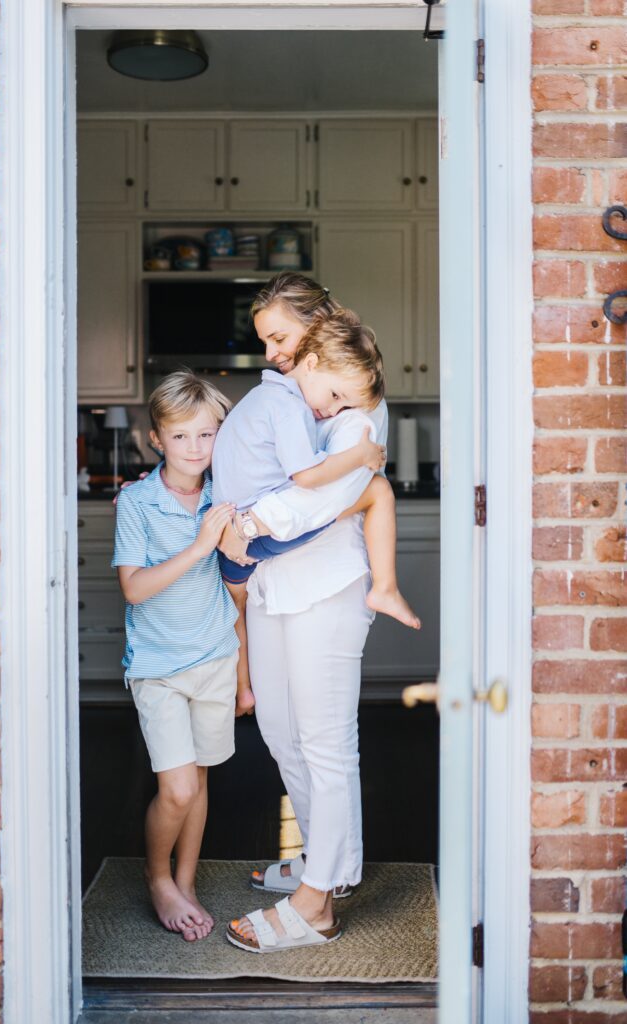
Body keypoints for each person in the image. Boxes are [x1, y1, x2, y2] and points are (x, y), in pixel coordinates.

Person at [222, 272, 415, 953]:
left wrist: (247, 523)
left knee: (325, 742)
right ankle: (328, 864)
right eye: (266, 341)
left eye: (280, 337)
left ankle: (317, 905)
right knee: (281, 731)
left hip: (326, 589)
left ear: (320, 324)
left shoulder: (355, 408)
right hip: (273, 585)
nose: (272, 353)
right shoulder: (295, 399)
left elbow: (322, 499)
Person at [214, 307, 421, 716]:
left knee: (232, 610)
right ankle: (385, 587)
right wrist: (362, 454)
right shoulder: (290, 407)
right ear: (312, 362)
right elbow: (308, 479)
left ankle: (242, 689)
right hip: (252, 537)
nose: (334, 410)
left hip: (239, 534)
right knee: (378, 490)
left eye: (279, 338)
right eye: (336, 398)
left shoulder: (264, 396)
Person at [112, 372, 239, 942]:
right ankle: (158, 876)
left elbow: (239, 589)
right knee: (178, 788)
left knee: (200, 780)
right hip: (159, 669)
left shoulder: (225, 496)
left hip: (216, 658)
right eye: (181, 436)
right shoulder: (137, 502)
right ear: (156, 439)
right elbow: (134, 588)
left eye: (206, 434)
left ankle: (186, 881)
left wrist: (245, 675)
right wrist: (200, 545)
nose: (194, 447)